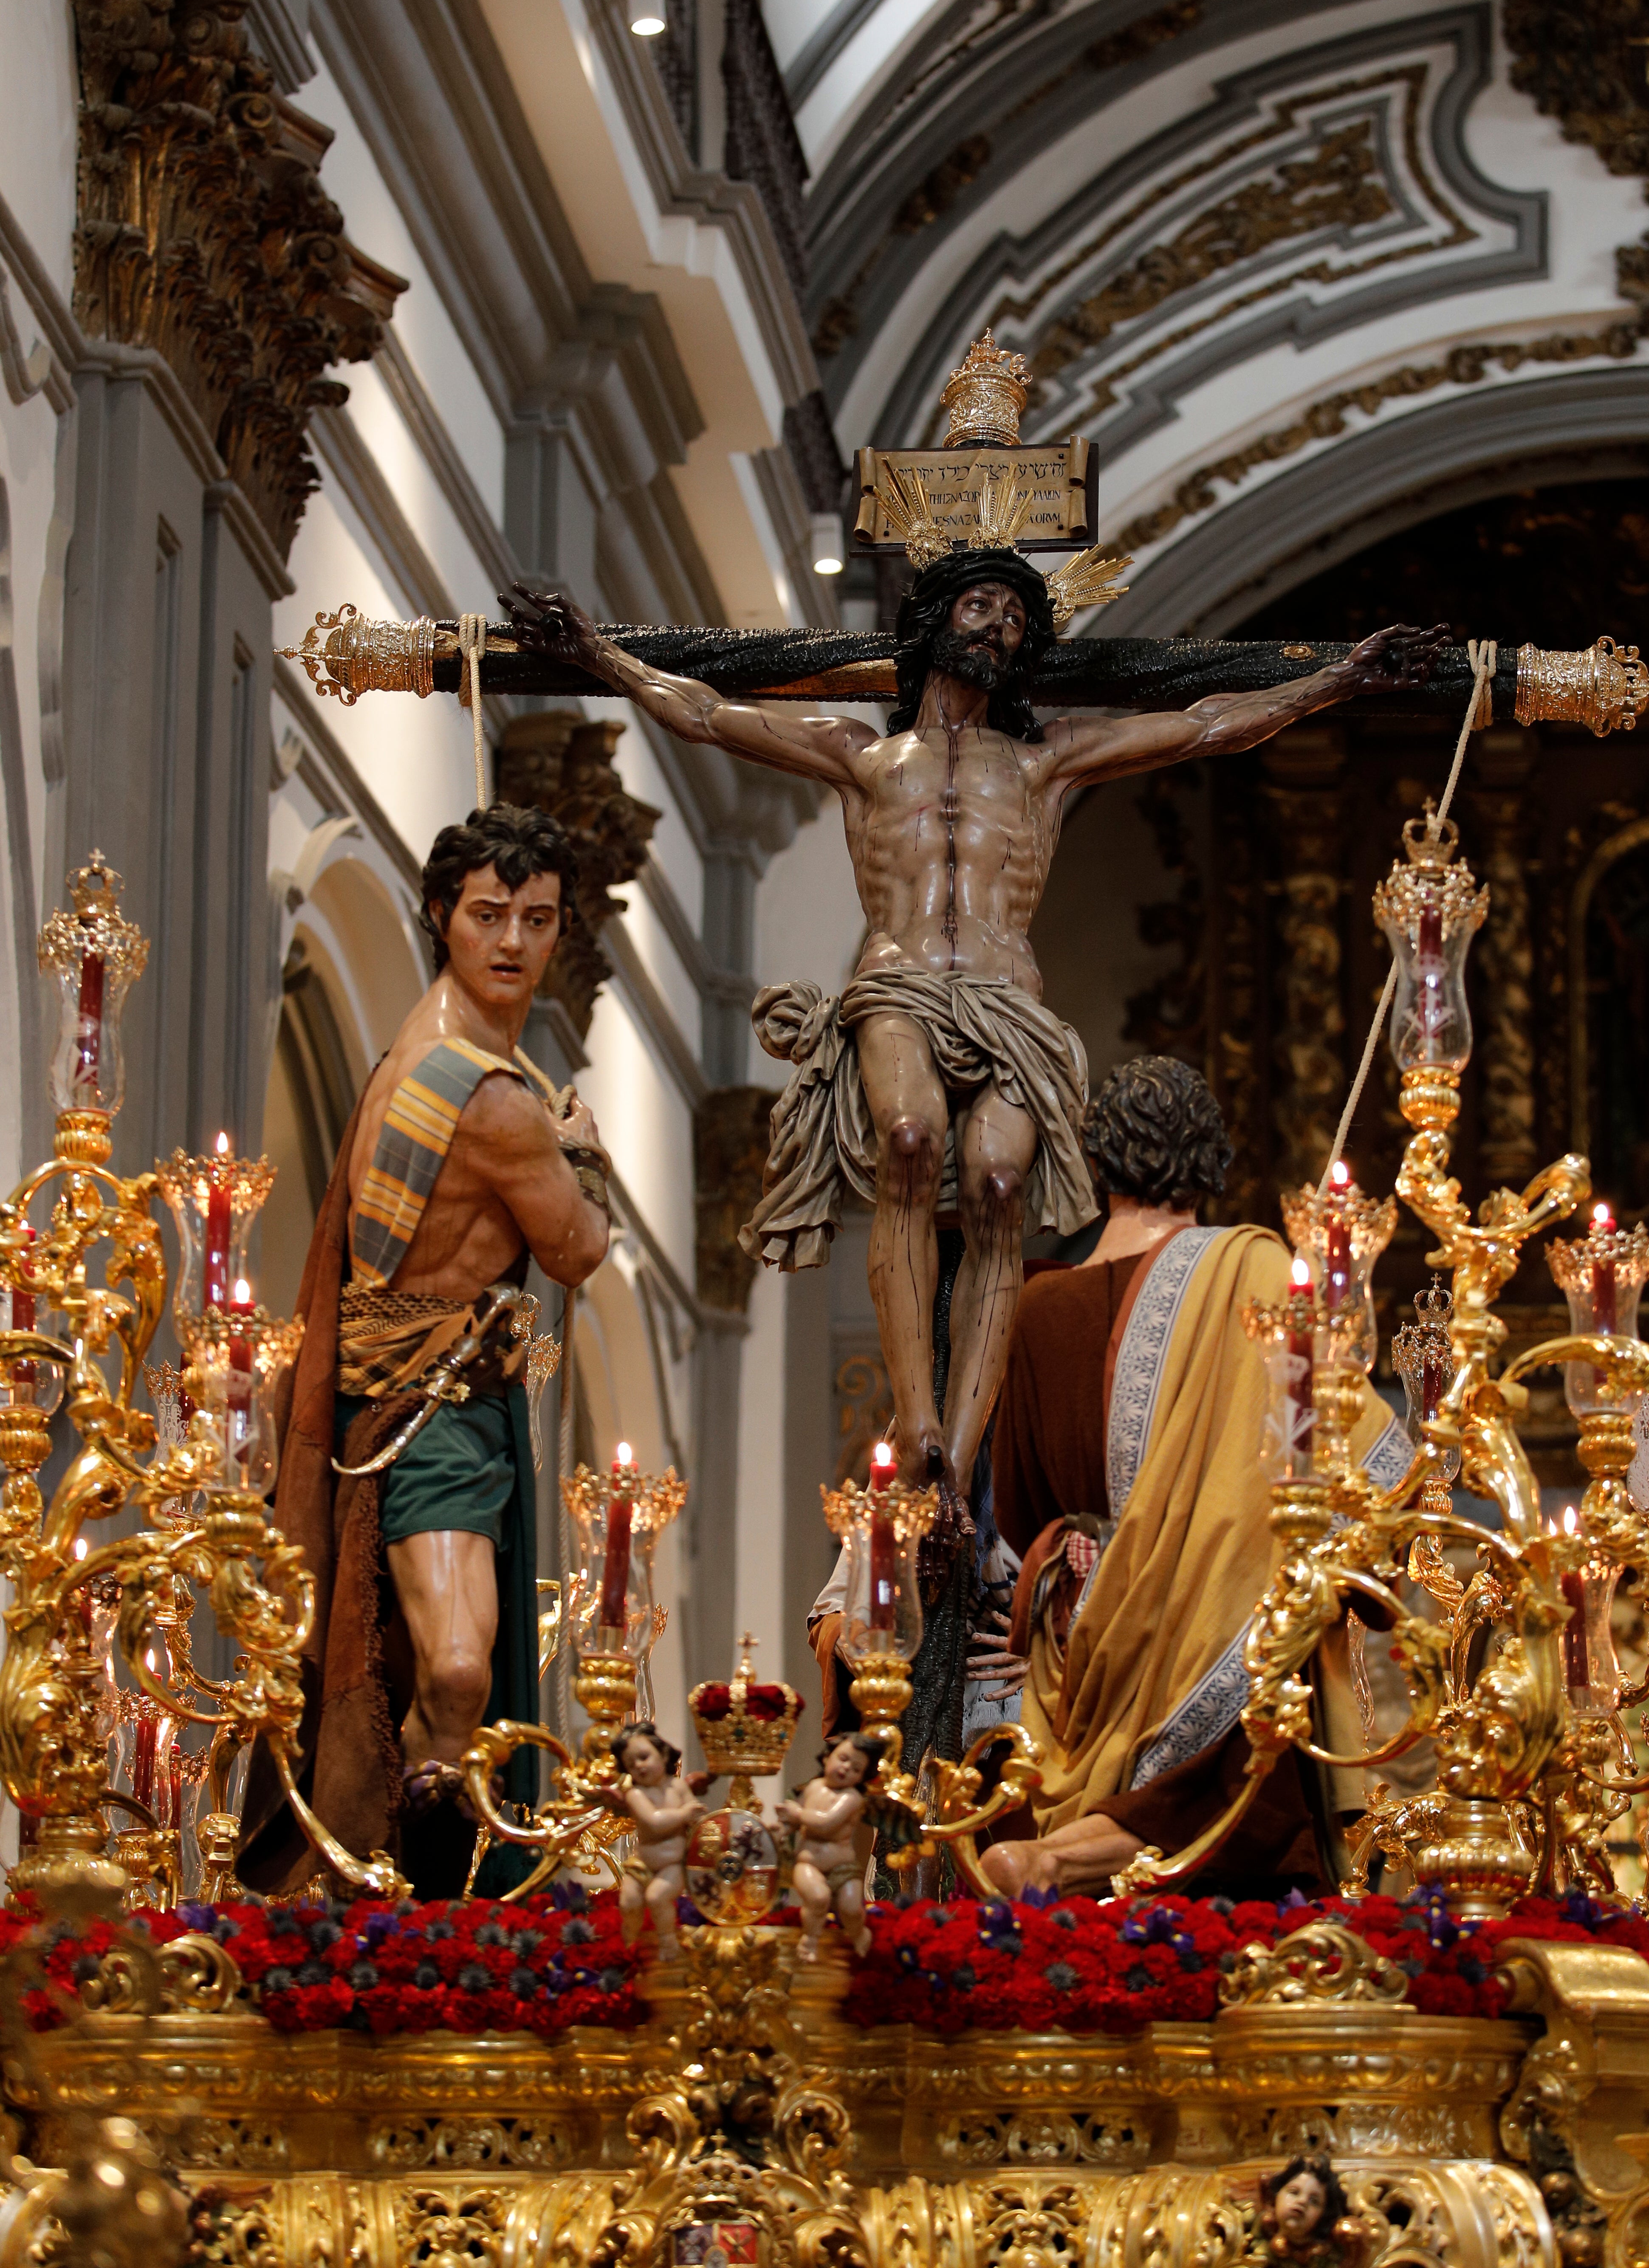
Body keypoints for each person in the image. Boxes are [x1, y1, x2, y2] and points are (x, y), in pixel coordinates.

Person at [503, 566, 1443, 1520]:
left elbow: (1206, 722)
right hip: (899, 984)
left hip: (1007, 1000)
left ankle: (955, 1453)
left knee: (1000, 1189)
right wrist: (590, 651)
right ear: (936, 622)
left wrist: (1336, 681)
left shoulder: (1044, 763)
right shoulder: (861, 755)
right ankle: (915, 1423)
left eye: (1015, 616)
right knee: (907, 1139)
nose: (996, 626)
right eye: (978, 606)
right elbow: (703, 712)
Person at [241, 803, 613, 1897]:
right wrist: (583, 1158)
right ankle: (399, 1889)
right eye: (489, 914)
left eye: (538, 920)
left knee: (452, 1667)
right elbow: (580, 1251)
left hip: (446, 1402)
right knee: (456, 1672)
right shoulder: (490, 1097)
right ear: (442, 915)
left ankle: (420, 1887)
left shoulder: (446, 1047)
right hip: (432, 1412)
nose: (513, 942)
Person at [977, 1055, 1417, 1900]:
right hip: (1221, 1624)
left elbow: (1025, 1508)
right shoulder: (1251, 1270)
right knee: (1245, 1798)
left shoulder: (1035, 1312)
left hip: (1085, 1645)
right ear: (1209, 1162)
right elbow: (1350, 1460)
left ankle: (1058, 1850)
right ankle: (1066, 1858)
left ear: (1099, 1162)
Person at [775, 1733, 878, 1961]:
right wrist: (780, 1831)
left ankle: (859, 1933)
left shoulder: (852, 1798)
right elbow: (794, 1822)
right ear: (826, 1758)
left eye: (856, 1769)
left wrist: (798, 1814)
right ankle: (810, 1940)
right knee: (818, 1899)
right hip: (808, 1862)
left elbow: (826, 1822)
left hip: (842, 1867)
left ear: (862, 1778)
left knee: (851, 1909)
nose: (846, 1769)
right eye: (843, 1759)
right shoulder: (813, 1788)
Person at [611, 1724, 700, 1957]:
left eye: (643, 1757)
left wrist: (696, 1816)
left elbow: (696, 1813)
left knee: (657, 1897)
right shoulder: (636, 1794)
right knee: (629, 1903)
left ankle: (668, 1944)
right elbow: (654, 1821)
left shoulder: (679, 1787)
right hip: (642, 1864)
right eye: (631, 1765)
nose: (639, 1766)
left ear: (663, 1754)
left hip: (674, 1863)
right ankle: (629, 1944)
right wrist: (684, 1815)